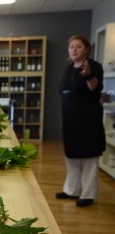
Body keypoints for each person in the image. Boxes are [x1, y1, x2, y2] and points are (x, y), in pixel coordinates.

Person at [56, 35, 105, 207]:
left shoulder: (94, 67)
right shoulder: (69, 69)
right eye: (71, 47)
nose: (74, 49)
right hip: (71, 122)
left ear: (86, 49)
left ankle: (88, 194)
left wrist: (88, 75)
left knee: (89, 158)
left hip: (88, 121)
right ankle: (71, 190)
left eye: (78, 46)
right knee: (72, 157)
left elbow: (94, 87)